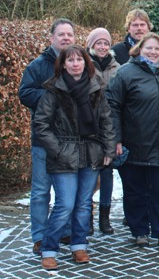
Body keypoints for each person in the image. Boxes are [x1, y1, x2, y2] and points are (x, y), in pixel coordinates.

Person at [33, 45, 116, 270]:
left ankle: (79, 245)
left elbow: (106, 121)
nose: (75, 64)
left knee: (83, 204)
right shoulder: (53, 89)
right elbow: (41, 124)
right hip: (65, 153)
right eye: (70, 60)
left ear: (86, 63)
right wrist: (58, 150)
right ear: (63, 65)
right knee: (65, 204)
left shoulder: (96, 87)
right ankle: (49, 249)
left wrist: (108, 150)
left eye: (79, 59)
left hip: (91, 151)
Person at [106, 33, 159, 250]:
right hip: (134, 143)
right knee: (135, 191)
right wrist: (117, 139)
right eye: (149, 48)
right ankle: (139, 231)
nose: (153, 52)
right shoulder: (125, 73)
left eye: (157, 49)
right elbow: (112, 107)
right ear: (139, 49)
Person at [19, 18, 75, 256]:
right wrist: (53, 97)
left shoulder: (78, 63)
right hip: (43, 139)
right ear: (52, 38)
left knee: (67, 192)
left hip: (71, 140)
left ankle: (65, 230)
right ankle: (40, 237)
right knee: (41, 191)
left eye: (69, 34)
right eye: (61, 34)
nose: (65, 38)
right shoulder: (38, 66)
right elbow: (25, 93)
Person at [86, 28, 120, 235]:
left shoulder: (117, 67)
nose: (102, 46)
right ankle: (87, 216)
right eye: (98, 43)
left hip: (110, 125)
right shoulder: (83, 64)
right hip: (90, 126)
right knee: (90, 173)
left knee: (107, 172)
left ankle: (104, 217)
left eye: (106, 43)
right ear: (91, 45)